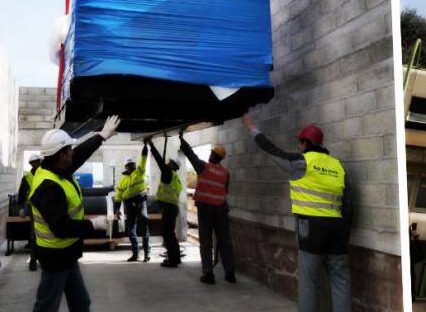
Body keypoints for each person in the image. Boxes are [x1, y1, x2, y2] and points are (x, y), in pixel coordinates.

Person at [241, 113, 352, 312]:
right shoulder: (338, 166)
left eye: (300, 143)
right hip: (338, 229)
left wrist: (252, 128)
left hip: (312, 229)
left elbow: (271, 150)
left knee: (309, 282)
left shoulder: (302, 162)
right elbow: (348, 203)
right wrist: (345, 231)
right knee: (341, 281)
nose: (299, 147)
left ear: (305, 143)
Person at [29, 116, 120, 312]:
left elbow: (79, 154)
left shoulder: (56, 168)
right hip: (55, 257)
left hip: (67, 253)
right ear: (61, 155)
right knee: (46, 306)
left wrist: (101, 136)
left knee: (81, 303)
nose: (72, 151)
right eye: (69, 149)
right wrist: (93, 225)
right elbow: (61, 228)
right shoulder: (49, 186)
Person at [178, 130, 235, 284]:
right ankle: (230, 273)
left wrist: (182, 141)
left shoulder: (204, 167)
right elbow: (224, 191)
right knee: (225, 241)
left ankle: (208, 274)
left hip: (206, 210)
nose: (210, 155)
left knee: (206, 241)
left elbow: (191, 156)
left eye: (212, 153)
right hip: (221, 209)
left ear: (214, 156)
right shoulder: (226, 173)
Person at [147, 136, 183, 267]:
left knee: (167, 234)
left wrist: (151, 146)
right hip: (172, 208)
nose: (167, 164)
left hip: (169, 208)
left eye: (169, 163)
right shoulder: (175, 177)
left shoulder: (168, 173)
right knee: (170, 234)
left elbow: (159, 161)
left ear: (173, 165)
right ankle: (176, 258)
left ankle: (173, 260)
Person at [115, 144, 150, 262]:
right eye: (129, 165)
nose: (131, 166)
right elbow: (118, 196)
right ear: (126, 167)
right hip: (129, 206)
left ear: (135, 165)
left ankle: (147, 254)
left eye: (132, 164)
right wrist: (117, 209)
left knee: (144, 228)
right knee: (131, 231)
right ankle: (136, 254)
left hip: (141, 203)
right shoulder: (122, 181)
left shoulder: (139, 172)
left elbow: (144, 159)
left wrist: (145, 147)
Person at [18, 152, 42, 271]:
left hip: (45, 207)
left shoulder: (46, 173)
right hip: (34, 208)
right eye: (34, 162)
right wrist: (22, 208)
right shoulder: (27, 177)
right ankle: (33, 260)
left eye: (37, 162)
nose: (36, 164)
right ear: (31, 164)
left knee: (44, 234)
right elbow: (22, 193)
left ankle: (42, 259)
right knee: (34, 234)